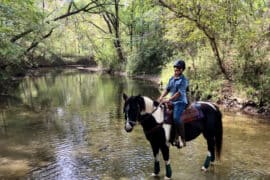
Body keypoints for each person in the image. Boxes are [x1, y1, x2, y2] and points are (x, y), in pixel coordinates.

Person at [158, 59, 189, 148]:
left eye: (178, 69)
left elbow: (179, 93)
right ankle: (168, 136)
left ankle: (182, 139)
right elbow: (167, 89)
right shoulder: (172, 78)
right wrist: (161, 97)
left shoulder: (184, 80)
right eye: (175, 69)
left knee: (176, 118)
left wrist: (168, 99)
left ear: (182, 70)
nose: (176, 70)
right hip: (172, 101)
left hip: (180, 102)